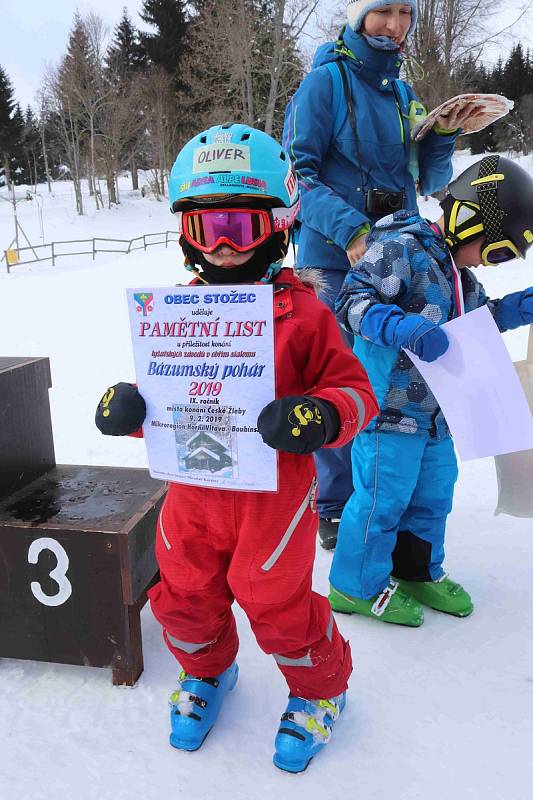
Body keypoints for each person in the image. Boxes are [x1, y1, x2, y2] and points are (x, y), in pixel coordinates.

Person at [95, 124, 378, 773]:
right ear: (185, 235)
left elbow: (355, 391)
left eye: (241, 229)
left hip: (270, 499)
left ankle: (317, 689)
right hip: (192, 493)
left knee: (275, 602)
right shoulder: (179, 313)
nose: (223, 247)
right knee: (183, 593)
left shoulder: (303, 314)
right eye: (206, 229)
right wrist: (134, 408)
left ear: (279, 227)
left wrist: (318, 413)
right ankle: (206, 672)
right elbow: (171, 395)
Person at [283, 0, 477, 550]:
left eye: (403, 13)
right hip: (333, 258)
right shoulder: (322, 85)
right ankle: (336, 503)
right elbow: (298, 178)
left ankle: (383, 501)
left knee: (391, 384)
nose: (394, 25)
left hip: (399, 256)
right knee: (337, 377)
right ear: (356, 16)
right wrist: (353, 233)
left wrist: (442, 135)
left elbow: (429, 179)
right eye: (382, 12)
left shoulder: (404, 94)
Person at [328, 154, 533, 626]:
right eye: (498, 251)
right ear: (468, 219)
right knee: (382, 500)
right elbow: (352, 301)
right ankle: (354, 586)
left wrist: (518, 309)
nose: (494, 263)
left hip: (440, 415)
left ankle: (416, 570)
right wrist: (400, 325)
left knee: (434, 496)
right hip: (389, 412)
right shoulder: (403, 250)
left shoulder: (461, 277)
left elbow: (476, 325)